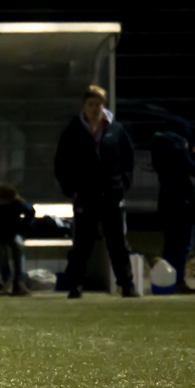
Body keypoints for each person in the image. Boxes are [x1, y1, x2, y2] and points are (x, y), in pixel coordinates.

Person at [54, 85, 136, 298]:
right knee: (82, 244)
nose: (94, 108)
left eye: (98, 104)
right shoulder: (73, 130)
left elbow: (128, 157)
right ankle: (75, 285)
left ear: (104, 105)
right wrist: (71, 190)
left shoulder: (115, 129)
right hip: (85, 196)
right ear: (84, 106)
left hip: (111, 195)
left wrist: (123, 183)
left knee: (118, 243)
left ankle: (127, 285)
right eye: (91, 104)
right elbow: (61, 163)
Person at [151, 116, 195, 294]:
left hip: (166, 199)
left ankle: (165, 281)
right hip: (183, 200)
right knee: (182, 244)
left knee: (170, 242)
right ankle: (178, 280)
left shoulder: (159, 146)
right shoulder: (178, 149)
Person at [0, 184, 34, 296]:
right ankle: (8, 280)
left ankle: (19, 281)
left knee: (17, 250)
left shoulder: (15, 204)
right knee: (2, 253)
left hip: (11, 232)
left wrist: (21, 227)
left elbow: (30, 211)